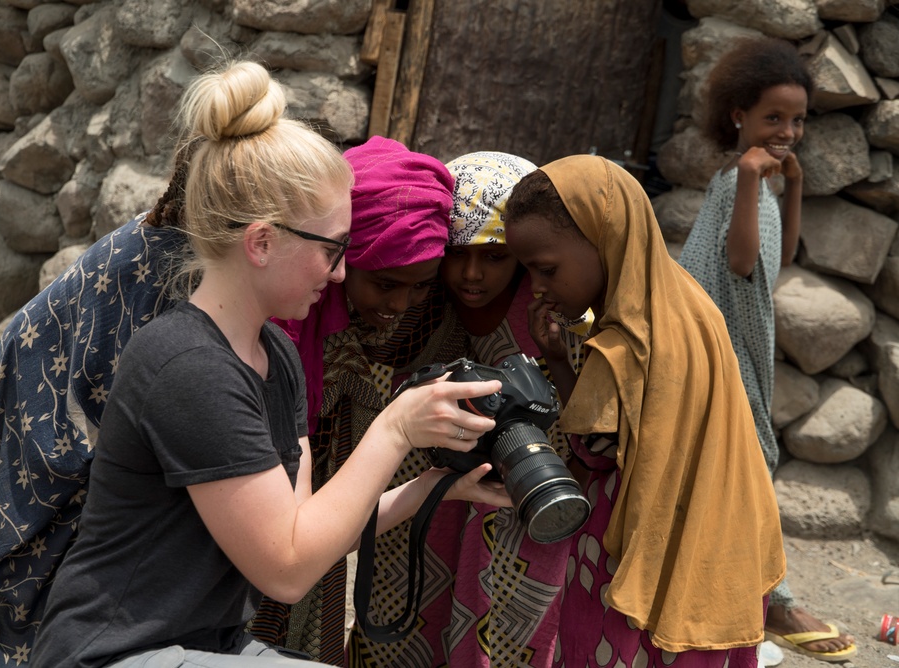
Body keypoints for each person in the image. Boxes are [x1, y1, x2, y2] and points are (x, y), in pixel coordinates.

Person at [30, 61, 510, 668]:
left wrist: (436, 485)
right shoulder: (187, 367)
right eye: (333, 250)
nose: (340, 273)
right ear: (261, 243)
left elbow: (307, 532)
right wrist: (396, 429)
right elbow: (286, 571)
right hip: (113, 653)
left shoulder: (275, 355)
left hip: (206, 645)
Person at [0, 140, 200, 668]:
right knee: (33, 520)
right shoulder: (181, 253)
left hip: (45, 355)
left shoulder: (180, 233)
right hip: (50, 372)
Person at [504, 154, 785, 666]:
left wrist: (558, 368)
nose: (537, 286)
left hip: (636, 548)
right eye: (527, 271)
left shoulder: (621, 345)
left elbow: (593, 450)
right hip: (721, 537)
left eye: (546, 268)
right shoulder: (686, 302)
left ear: (606, 239)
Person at [348, 150, 593, 666]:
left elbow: (589, 423)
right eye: (457, 252)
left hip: (522, 498)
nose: (472, 275)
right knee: (403, 602)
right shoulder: (413, 304)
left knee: (505, 631)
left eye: (496, 256)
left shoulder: (557, 316)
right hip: (424, 492)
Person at [248, 135, 469, 665]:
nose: (400, 305)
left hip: (323, 532)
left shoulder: (423, 319)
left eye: (419, 288)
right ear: (343, 258)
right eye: (387, 284)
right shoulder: (276, 334)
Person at [677, 37, 857, 663]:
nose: (788, 130)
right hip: (719, 350)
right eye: (773, 117)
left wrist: (795, 186)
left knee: (743, 464)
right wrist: (754, 180)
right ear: (738, 116)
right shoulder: (736, 178)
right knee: (750, 462)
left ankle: (752, 601)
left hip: (740, 344)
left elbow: (780, 259)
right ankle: (770, 601)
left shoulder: (765, 179)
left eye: (799, 119)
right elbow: (740, 260)